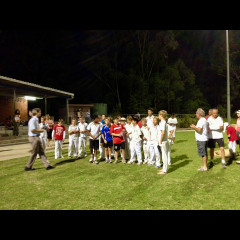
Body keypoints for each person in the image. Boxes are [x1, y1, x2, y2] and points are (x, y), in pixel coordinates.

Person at [157, 110, 170, 175]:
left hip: (163, 141)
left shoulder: (162, 122)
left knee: (164, 156)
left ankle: (165, 170)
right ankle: (164, 169)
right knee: (164, 155)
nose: (158, 116)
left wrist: (160, 140)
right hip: (165, 141)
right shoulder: (163, 122)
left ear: (161, 115)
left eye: (159, 115)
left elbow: (163, 132)